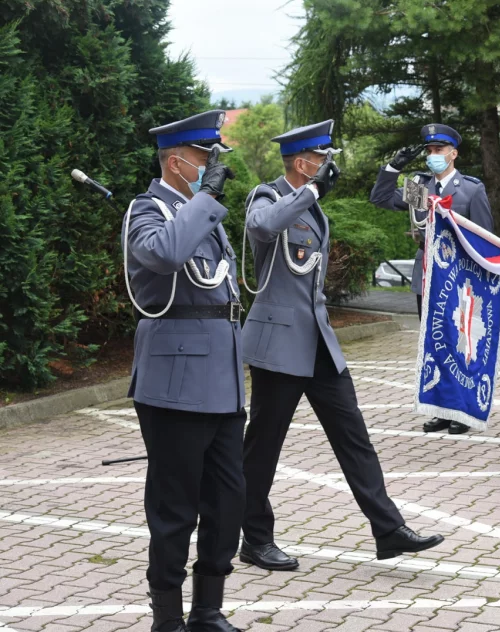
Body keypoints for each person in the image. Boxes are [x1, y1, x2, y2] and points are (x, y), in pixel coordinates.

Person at [240, 121, 445, 571]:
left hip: (317, 340)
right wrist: (311, 193)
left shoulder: (313, 209)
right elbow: (261, 228)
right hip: (279, 344)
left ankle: (388, 530)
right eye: (321, 157)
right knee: (264, 445)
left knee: (353, 436)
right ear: (301, 163)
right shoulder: (269, 196)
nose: (327, 164)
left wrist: (312, 198)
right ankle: (254, 538)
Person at [123, 110, 244, 632]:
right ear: (177, 162)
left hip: (222, 381)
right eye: (204, 158)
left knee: (227, 504)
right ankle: (167, 619)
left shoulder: (201, 212)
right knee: (175, 510)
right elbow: (166, 254)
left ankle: (207, 611)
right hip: (174, 384)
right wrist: (205, 199)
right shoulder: (146, 211)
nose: (212, 166)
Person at [370, 123, 493, 435]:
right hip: (427, 275)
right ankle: (440, 406)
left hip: (460, 279)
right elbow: (380, 198)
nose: (433, 155)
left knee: (460, 341)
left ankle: (461, 410)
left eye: (439, 150)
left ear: (454, 153)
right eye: (429, 150)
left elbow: (484, 238)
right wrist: (393, 166)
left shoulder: (470, 189)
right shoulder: (421, 189)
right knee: (434, 342)